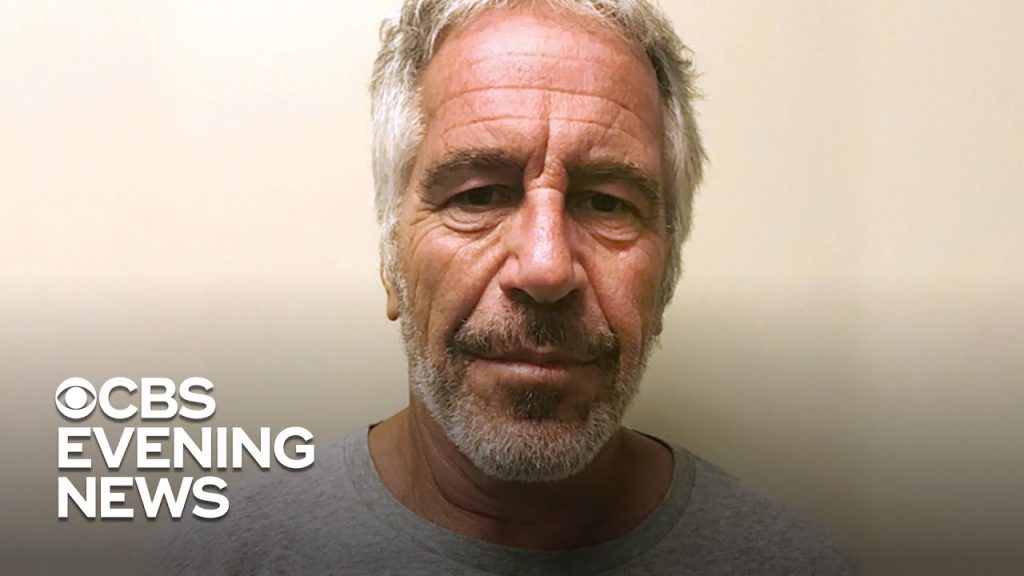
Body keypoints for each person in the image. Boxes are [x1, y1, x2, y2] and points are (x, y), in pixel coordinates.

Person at [155, 1, 855, 574]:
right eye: (479, 195)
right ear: (390, 260)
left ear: (667, 273)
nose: (546, 269)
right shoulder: (222, 558)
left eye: (606, 203)